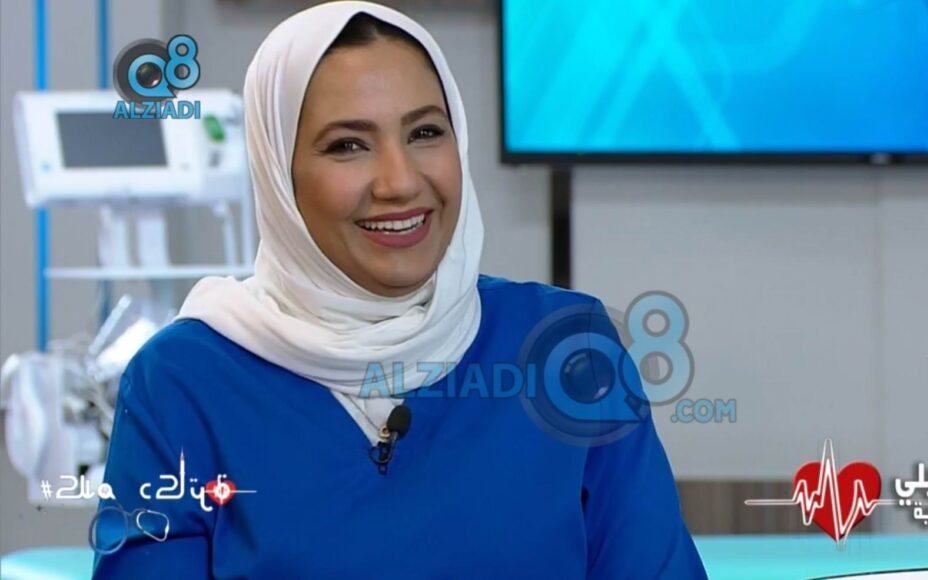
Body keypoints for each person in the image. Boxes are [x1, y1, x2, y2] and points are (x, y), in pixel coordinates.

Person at [92, 2, 707, 578]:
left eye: (425, 133)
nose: (399, 181)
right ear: (278, 173)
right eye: (348, 145)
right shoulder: (183, 380)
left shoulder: (570, 348)